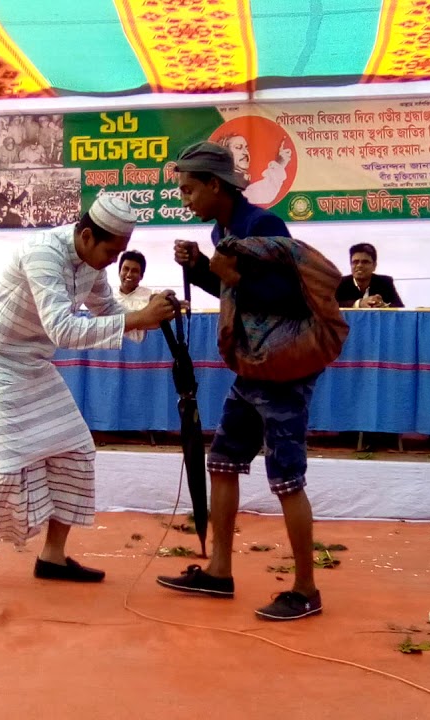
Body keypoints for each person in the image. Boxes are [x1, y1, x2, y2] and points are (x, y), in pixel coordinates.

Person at [0, 194, 180, 596]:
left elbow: (108, 310)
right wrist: (139, 318)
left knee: (78, 450)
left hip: (33, 362)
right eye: (112, 251)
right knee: (5, 465)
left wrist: (154, 311)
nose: (115, 261)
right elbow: (63, 330)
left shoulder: (90, 263)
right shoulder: (43, 253)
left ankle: (52, 557)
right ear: (86, 236)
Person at [158, 141, 323, 621]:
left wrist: (225, 272)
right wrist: (201, 270)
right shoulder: (221, 231)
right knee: (223, 462)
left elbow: (290, 294)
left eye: (189, 189)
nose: (185, 199)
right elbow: (234, 289)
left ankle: (306, 590)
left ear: (214, 184)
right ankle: (219, 572)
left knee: (286, 479)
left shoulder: (262, 226)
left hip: (285, 369)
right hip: (252, 367)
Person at [215, 133, 291, 206]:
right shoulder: (225, 186)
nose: (245, 152)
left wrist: (280, 164)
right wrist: (279, 165)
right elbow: (264, 193)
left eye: (246, 148)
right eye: (238, 147)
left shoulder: (243, 182)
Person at [335, 243, 404, 308]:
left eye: (365, 262)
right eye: (355, 262)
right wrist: (359, 303)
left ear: (374, 265)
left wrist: (384, 306)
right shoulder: (339, 283)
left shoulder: (385, 282)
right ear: (351, 265)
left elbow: (400, 308)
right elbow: (331, 305)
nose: (359, 265)